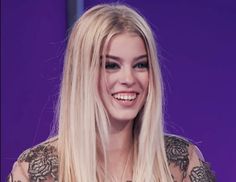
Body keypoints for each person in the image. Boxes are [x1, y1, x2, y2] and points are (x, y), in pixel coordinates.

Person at [8, 3, 215, 182]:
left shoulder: (182, 162)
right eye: (111, 65)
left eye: (141, 64)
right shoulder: (34, 170)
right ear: (82, 75)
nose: (128, 79)